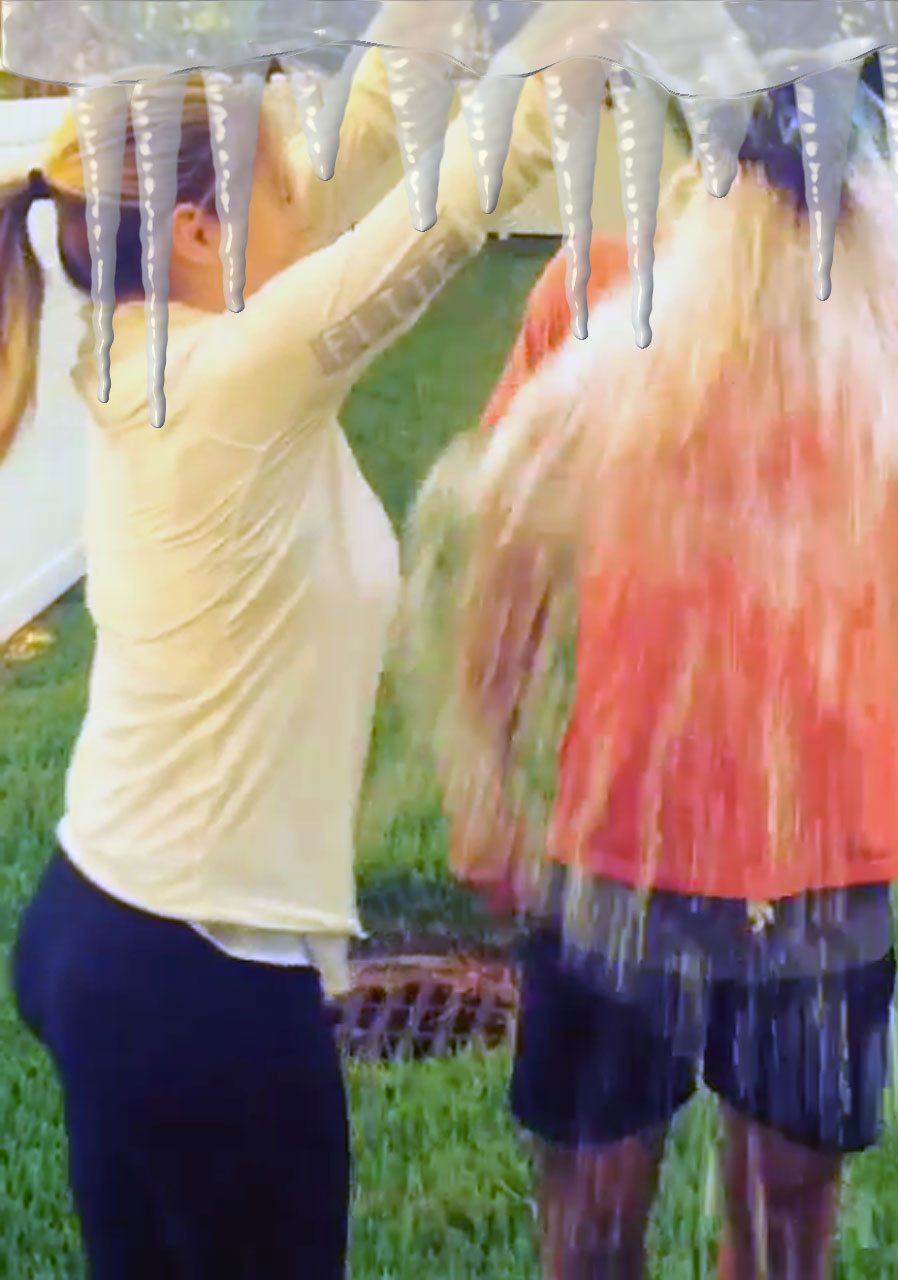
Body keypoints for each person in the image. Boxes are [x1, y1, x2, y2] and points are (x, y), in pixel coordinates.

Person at [400, 87, 898, 1280]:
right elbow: (510, 546)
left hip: (827, 873)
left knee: (785, 1251)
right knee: (589, 1242)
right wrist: (481, 769)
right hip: (612, 861)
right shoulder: (601, 283)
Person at [0, 46, 553, 1279]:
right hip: (200, 976)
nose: (310, 187)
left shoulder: (150, 339)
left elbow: (370, 120)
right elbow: (456, 190)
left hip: (108, 929)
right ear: (199, 228)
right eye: (284, 181)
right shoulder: (235, 380)